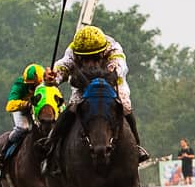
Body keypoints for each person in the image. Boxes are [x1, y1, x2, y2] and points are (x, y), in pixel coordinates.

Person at [51, 24, 149, 160]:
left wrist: (104, 74)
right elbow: (62, 66)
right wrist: (53, 76)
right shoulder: (73, 49)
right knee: (73, 107)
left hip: (111, 83)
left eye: (95, 58)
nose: (91, 63)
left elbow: (119, 69)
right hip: (83, 85)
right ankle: (52, 144)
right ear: (79, 56)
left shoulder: (113, 49)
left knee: (125, 106)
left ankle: (137, 146)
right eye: (85, 59)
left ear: (103, 54)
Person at [4, 64, 48, 131]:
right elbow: (9, 105)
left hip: (37, 109)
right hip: (21, 110)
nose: (30, 87)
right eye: (28, 84)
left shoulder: (46, 86)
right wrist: (26, 104)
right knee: (23, 128)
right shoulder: (19, 84)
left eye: (33, 84)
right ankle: (12, 141)